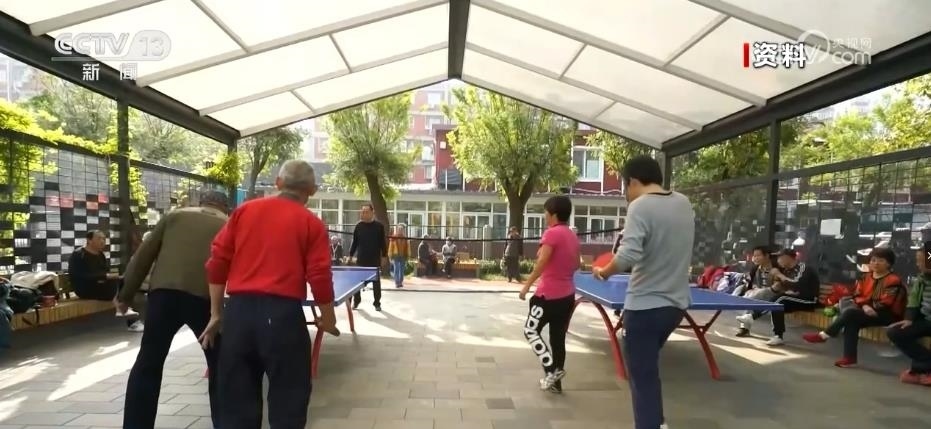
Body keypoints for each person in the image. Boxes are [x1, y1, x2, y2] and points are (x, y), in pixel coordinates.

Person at [200, 160, 339, 429]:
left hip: (238, 314)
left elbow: (217, 263)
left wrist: (216, 313)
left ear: (278, 183)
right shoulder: (311, 223)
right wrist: (328, 317)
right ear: (312, 190)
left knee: (236, 406)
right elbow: (320, 275)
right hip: (284, 317)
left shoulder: (244, 212)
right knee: (289, 402)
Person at [592, 155, 693, 429]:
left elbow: (628, 255)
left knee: (642, 377)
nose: (626, 195)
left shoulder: (640, 206)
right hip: (676, 307)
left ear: (634, 182)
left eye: (625, 187)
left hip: (645, 307)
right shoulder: (683, 203)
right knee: (648, 369)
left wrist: (604, 272)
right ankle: (657, 421)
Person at [119, 191, 229, 429]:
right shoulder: (229, 224)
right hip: (205, 299)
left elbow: (143, 256)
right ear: (225, 207)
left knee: (149, 361)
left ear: (201, 202)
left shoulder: (174, 216)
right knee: (220, 365)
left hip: (163, 295)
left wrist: (125, 295)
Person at [801, 247, 905, 367]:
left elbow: (887, 301)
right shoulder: (865, 277)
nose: (876, 263)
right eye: (873, 260)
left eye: (881, 260)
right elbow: (856, 295)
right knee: (851, 321)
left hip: (887, 314)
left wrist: (869, 307)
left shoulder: (893, 280)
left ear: (889, 264)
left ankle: (824, 335)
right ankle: (849, 358)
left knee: (850, 313)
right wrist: (865, 306)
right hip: (865, 311)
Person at [519, 195, 579, 394]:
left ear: (553, 214)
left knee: (530, 331)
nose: (544, 215)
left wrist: (526, 286)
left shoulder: (551, 234)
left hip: (547, 296)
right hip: (567, 296)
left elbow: (542, 262)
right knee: (557, 339)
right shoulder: (572, 235)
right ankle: (555, 383)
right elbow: (576, 264)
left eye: (545, 212)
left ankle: (552, 372)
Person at [67, 230, 143, 332]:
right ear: (89, 240)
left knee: (124, 284)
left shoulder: (100, 255)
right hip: (84, 288)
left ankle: (128, 316)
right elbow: (79, 275)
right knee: (117, 288)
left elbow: (104, 272)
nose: (102, 241)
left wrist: (110, 277)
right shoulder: (78, 255)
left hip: (101, 286)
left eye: (104, 238)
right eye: (99, 238)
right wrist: (105, 276)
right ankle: (128, 316)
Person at [749, 248, 821, 346]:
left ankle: (752, 317)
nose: (777, 261)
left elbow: (797, 284)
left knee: (780, 299)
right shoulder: (787, 271)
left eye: (779, 258)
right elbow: (787, 287)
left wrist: (779, 275)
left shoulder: (803, 268)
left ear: (786, 258)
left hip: (809, 300)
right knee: (778, 303)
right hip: (794, 299)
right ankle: (778, 336)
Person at [887, 241, 931, 385]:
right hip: (925, 320)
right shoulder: (921, 279)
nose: (918, 264)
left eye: (921, 261)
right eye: (917, 261)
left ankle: (919, 369)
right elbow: (913, 301)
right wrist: (909, 319)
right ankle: (926, 363)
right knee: (895, 332)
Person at [348, 203, 387, 311]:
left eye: (366, 212)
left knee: (376, 283)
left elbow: (382, 243)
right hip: (361, 259)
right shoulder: (358, 226)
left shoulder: (379, 226)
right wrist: (350, 255)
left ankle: (377, 303)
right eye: (362, 212)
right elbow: (354, 242)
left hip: (374, 260)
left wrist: (384, 256)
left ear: (372, 212)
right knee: (357, 282)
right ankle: (356, 301)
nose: (364, 214)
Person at [735, 245, 778, 337]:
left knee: (755, 295)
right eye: (754, 256)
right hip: (759, 294)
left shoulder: (776, 267)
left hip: (774, 294)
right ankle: (744, 327)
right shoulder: (755, 268)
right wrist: (750, 289)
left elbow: (778, 286)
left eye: (758, 255)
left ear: (767, 256)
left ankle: (744, 327)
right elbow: (750, 284)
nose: (755, 258)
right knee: (747, 293)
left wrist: (759, 290)